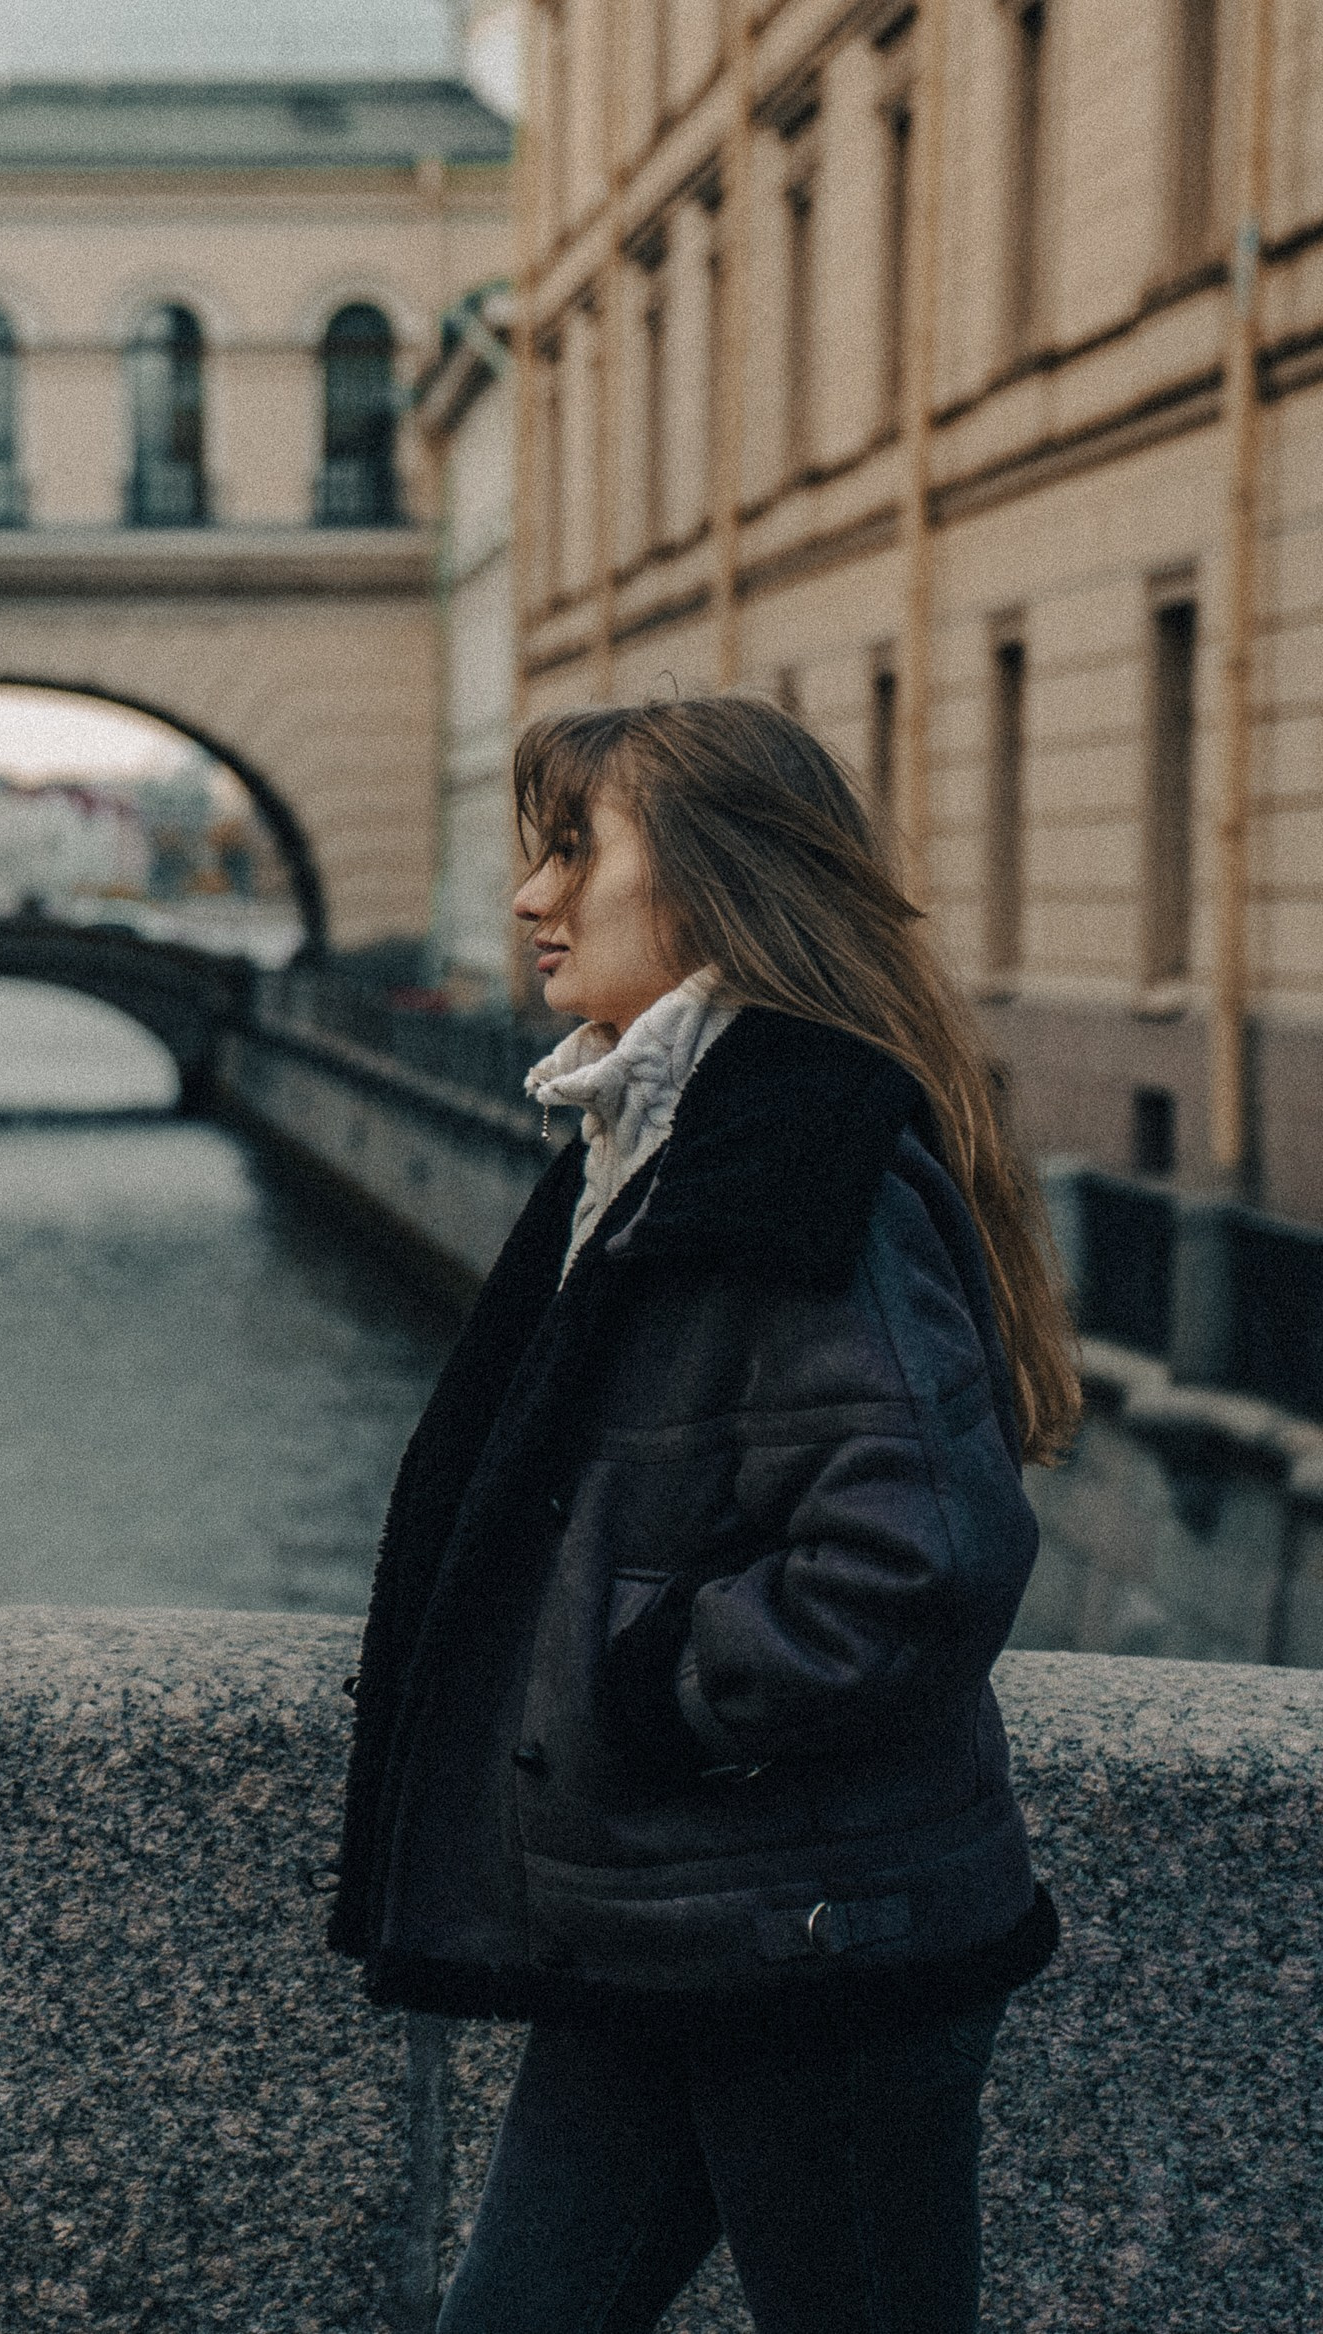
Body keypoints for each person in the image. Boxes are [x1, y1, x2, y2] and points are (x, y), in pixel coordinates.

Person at [329, 694, 1077, 2334]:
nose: (531, 893)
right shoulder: (659, 1127)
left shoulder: (798, 1147)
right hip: (661, 1926)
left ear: (719, 882)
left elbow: (919, 1558)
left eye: (575, 846)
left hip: (813, 1949)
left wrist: (643, 1687)